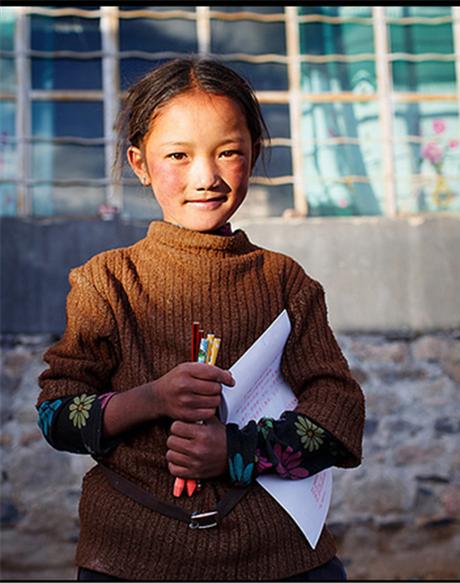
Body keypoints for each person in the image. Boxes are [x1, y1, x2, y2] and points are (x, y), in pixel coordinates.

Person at [35, 57, 365, 582]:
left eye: (228, 152)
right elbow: (56, 416)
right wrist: (151, 399)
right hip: (131, 557)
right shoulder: (108, 282)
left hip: (279, 557)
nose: (205, 176)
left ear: (253, 154)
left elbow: (340, 417)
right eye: (178, 155)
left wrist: (234, 452)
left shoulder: (284, 282)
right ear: (139, 163)